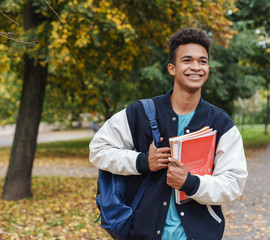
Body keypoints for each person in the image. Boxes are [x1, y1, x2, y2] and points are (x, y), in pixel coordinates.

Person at [89, 28, 248, 240]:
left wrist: (192, 184)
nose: (196, 67)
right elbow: (97, 150)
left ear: (208, 67)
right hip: (143, 233)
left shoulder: (220, 123)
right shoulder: (139, 113)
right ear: (172, 68)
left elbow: (234, 183)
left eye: (202, 61)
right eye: (187, 60)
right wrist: (142, 161)